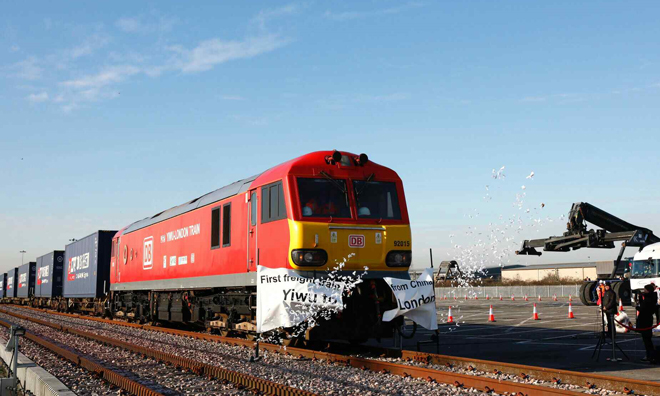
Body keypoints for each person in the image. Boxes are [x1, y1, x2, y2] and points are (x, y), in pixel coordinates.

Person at [637, 284, 658, 363]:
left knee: (647, 340)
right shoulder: (651, 297)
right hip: (648, 319)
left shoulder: (648, 299)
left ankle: (650, 355)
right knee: (647, 339)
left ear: (648, 290)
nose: (644, 291)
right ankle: (650, 355)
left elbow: (643, 308)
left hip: (645, 320)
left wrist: (637, 307)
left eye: (645, 290)